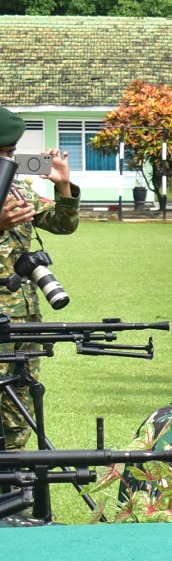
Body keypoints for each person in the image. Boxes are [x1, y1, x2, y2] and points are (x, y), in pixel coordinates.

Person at [0, 106, 79, 449]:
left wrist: (64, 185)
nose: (8, 160)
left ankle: (13, 476)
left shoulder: (18, 190)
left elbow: (62, 224)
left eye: (11, 153)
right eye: (2, 153)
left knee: (20, 399)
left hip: (25, 315)